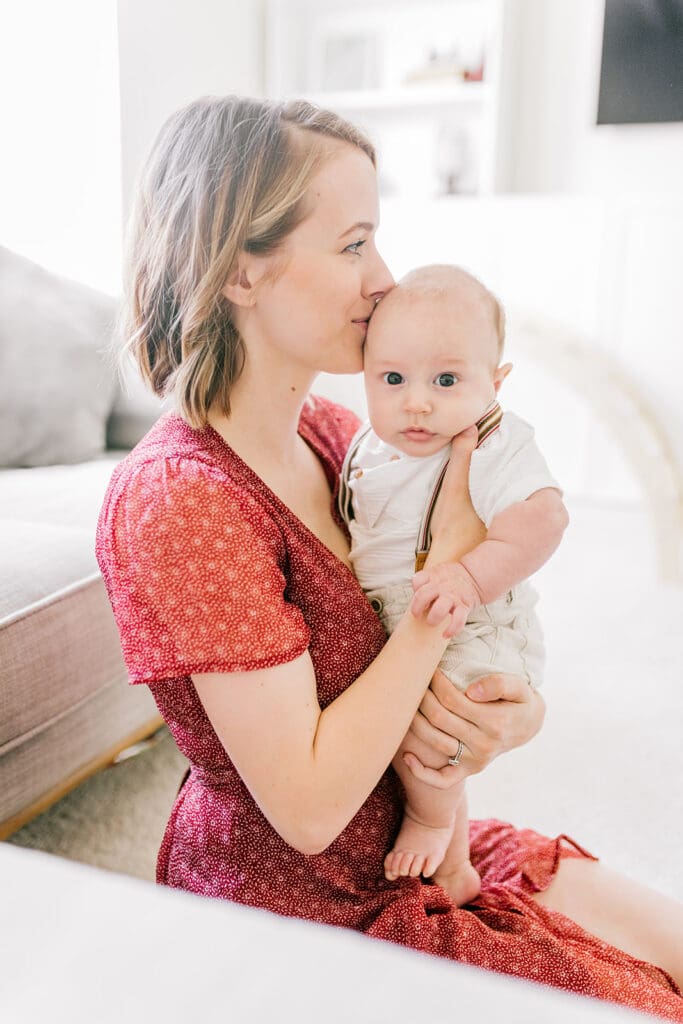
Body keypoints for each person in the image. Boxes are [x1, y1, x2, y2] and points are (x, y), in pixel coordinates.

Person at [95, 95, 683, 1020]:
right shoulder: (185, 504)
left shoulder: (339, 436)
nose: (384, 280)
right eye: (353, 244)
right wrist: (438, 586)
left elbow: (492, 593)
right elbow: (310, 807)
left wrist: (507, 714)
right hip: (306, 906)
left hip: (404, 842)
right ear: (242, 271)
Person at [339, 264, 567, 906]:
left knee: (439, 732)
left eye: (446, 380)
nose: (417, 401)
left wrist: (469, 573)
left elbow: (544, 519)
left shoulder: (495, 443)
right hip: (406, 616)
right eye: (393, 379)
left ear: (494, 384)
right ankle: (458, 866)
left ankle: (434, 821)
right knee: (406, 722)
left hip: (478, 622)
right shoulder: (368, 446)